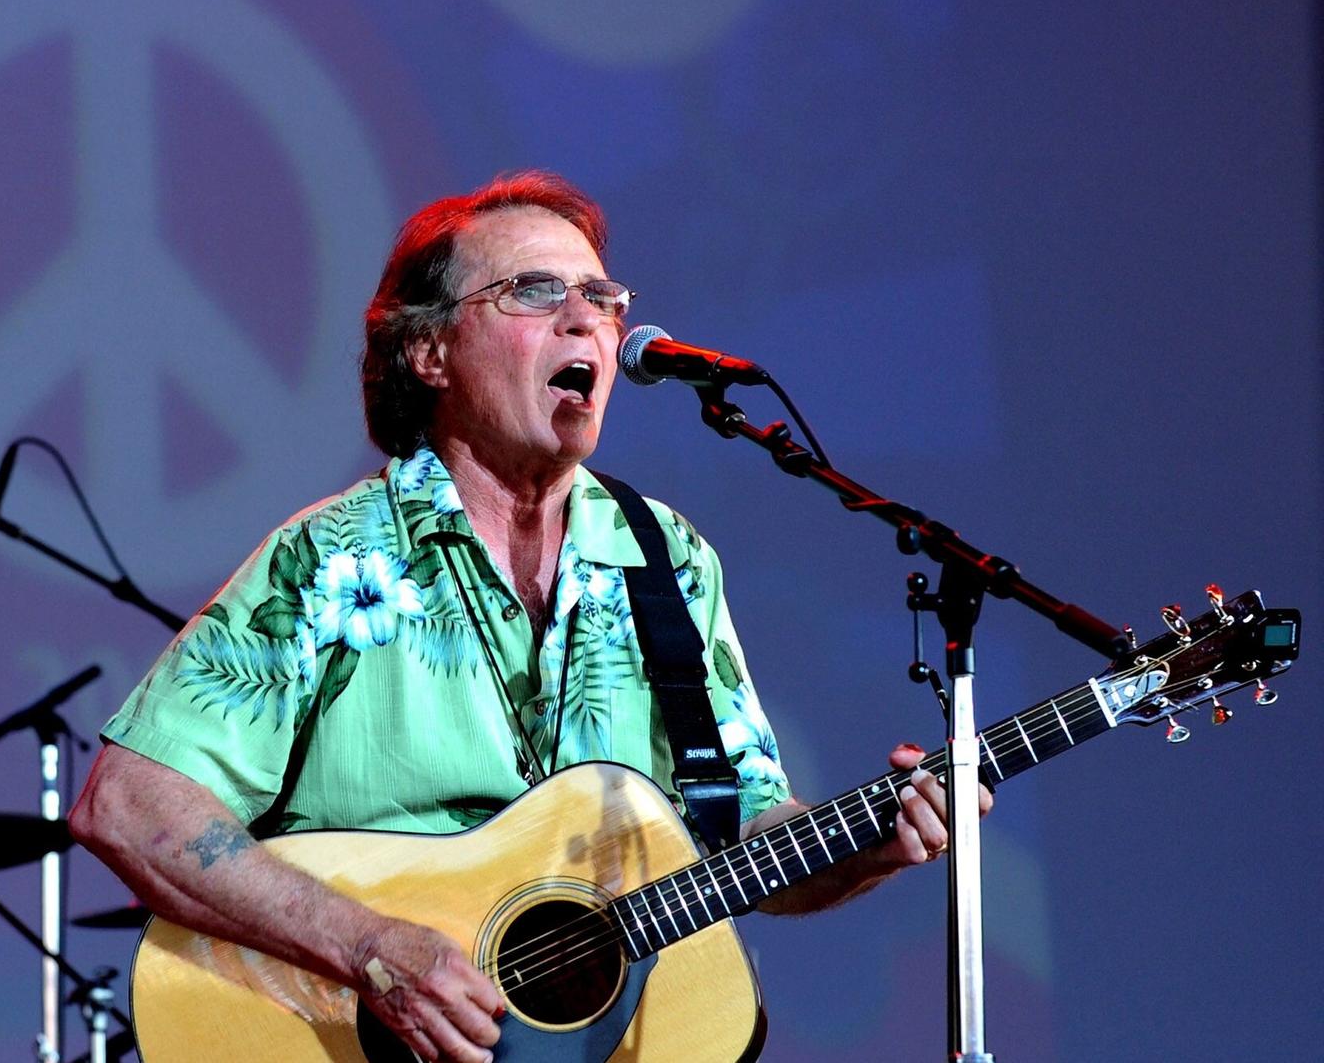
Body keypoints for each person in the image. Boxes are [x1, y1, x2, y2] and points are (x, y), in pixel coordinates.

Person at [69, 171, 989, 1063]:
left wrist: (874, 839)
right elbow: (129, 804)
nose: (587, 317)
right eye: (535, 290)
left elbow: (738, 830)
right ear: (428, 352)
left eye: (601, 295)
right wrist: (371, 949)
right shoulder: (336, 559)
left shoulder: (665, 559)